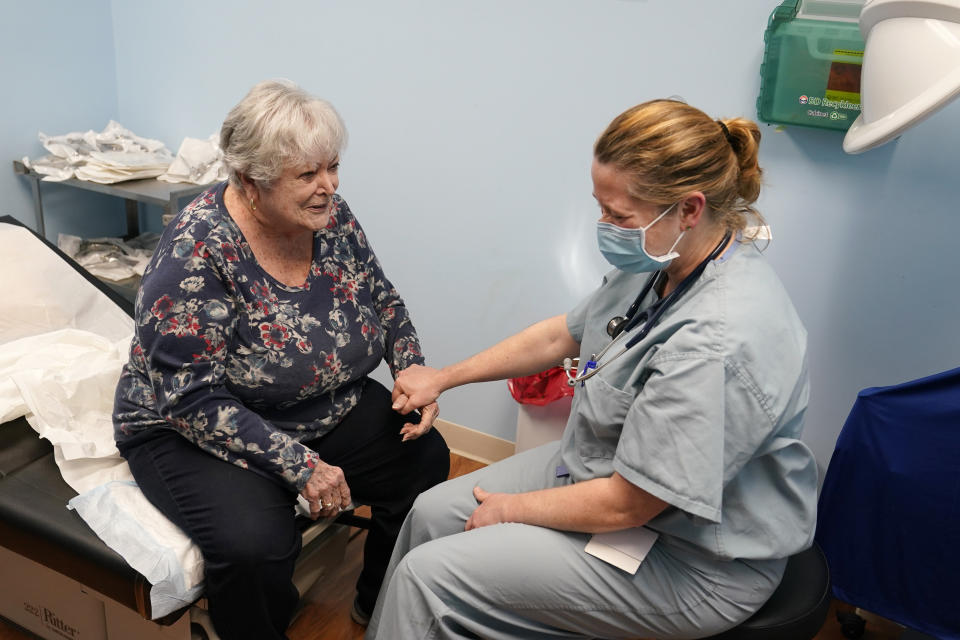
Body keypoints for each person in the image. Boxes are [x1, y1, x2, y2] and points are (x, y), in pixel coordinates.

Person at [367, 99, 818, 639]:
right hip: (605, 471)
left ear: (689, 209)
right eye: (600, 206)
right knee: (431, 514)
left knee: (429, 577)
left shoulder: (715, 342)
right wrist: (443, 377)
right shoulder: (665, 259)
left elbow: (630, 504)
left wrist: (512, 510)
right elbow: (565, 333)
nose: (604, 226)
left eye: (619, 215)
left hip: (695, 560)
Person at [112, 79, 449, 640]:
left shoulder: (329, 216)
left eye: (332, 167)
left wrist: (412, 365)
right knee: (256, 548)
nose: (329, 186)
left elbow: (381, 296)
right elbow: (191, 398)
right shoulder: (195, 253)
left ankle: (378, 602)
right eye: (308, 175)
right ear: (250, 181)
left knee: (423, 460)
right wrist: (302, 467)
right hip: (194, 427)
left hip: (315, 404)